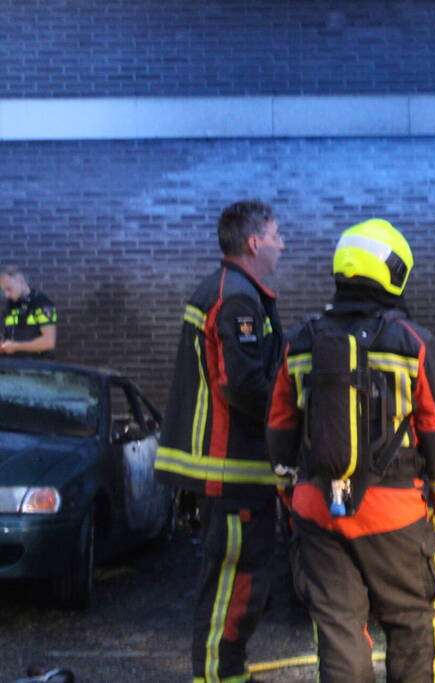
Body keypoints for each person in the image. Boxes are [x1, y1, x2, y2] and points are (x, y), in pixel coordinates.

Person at [266, 218, 435, 683]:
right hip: (393, 511)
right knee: (414, 623)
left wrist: (289, 491)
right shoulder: (411, 340)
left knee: (339, 631)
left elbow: (279, 423)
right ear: (393, 272)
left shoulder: (300, 340)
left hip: (317, 509)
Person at [154, 200, 285, 683]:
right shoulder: (237, 298)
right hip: (232, 471)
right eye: (276, 234)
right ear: (254, 243)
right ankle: (218, 677)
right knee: (233, 583)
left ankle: (224, 673)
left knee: (235, 582)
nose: (282, 243)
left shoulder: (232, 291)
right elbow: (244, 383)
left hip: (230, 473)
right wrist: (293, 412)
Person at [1, 266, 57, 357]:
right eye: (3, 291)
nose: (6, 295)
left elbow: (48, 342)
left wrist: (16, 347)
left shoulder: (41, 302)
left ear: (21, 282)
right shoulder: (9, 305)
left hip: (35, 366)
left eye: (9, 289)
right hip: (11, 366)